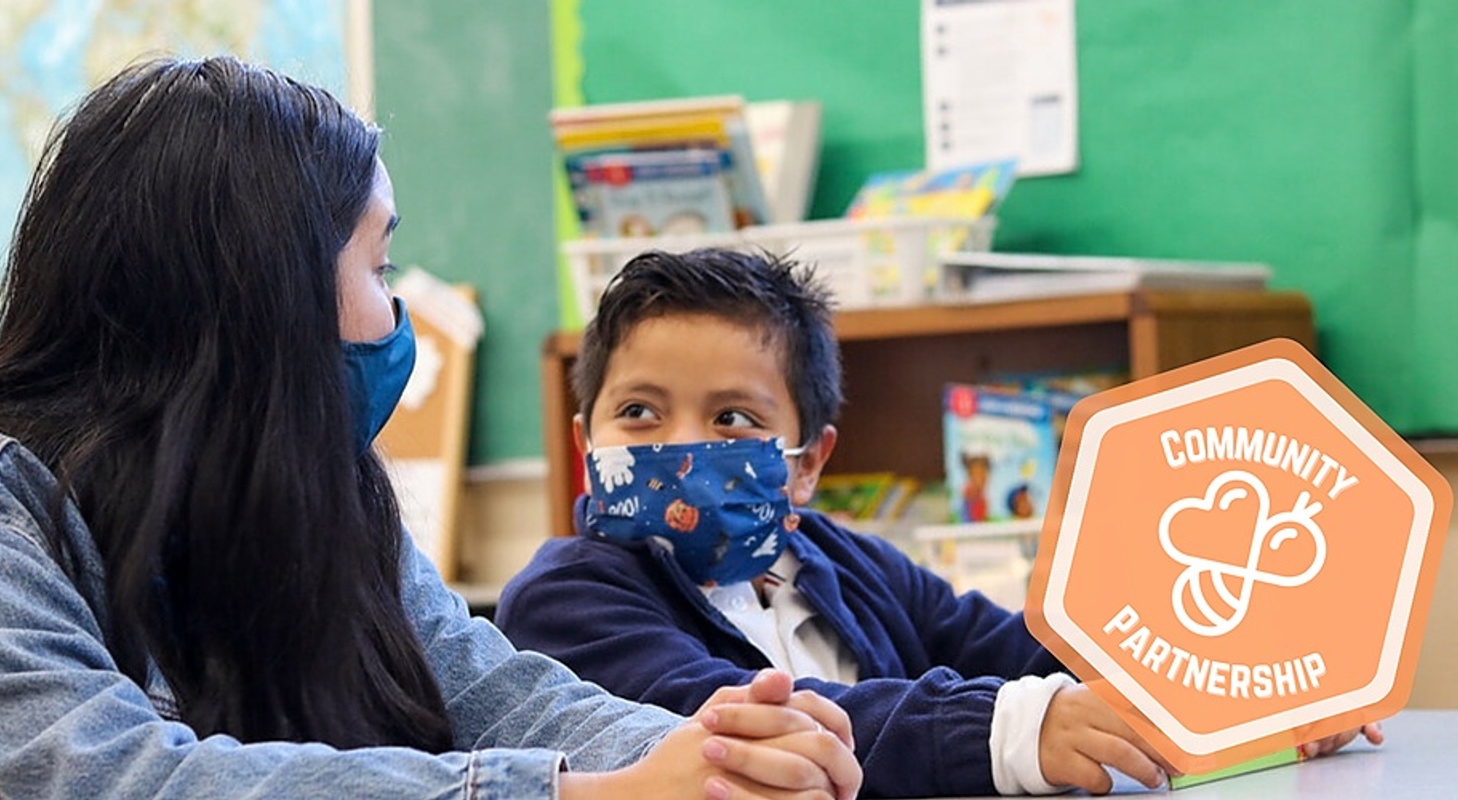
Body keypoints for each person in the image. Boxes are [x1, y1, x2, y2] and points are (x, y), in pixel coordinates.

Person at [0, 56, 864, 799]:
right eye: (378, 269)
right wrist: (575, 792)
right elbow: (109, 780)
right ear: (259, 293)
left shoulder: (320, 497)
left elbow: (495, 690)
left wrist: (722, 748)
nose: (397, 318)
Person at [494, 248, 1382, 797]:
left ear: (807, 464)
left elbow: (1038, 650)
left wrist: (1242, 693)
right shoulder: (567, 597)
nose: (680, 446)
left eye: (732, 420)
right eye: (641, 414)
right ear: (585, 440)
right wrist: (1011, 729)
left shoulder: (842, 564)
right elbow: (732, 733)